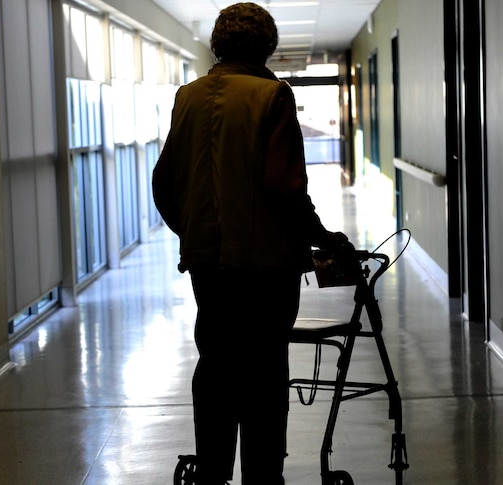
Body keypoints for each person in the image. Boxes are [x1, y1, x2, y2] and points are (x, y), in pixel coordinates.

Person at [152, 3, 350, 484]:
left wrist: (197, 232)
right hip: (265, 270)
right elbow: (284, 189)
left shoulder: (188, 97)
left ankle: (213, 473)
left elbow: (164, 182)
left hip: (208, 266)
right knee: (263, 374)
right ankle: (263, 477)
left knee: (216, 365)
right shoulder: (272, 97)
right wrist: (325, 239)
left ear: (218, 44)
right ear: (268, 46)